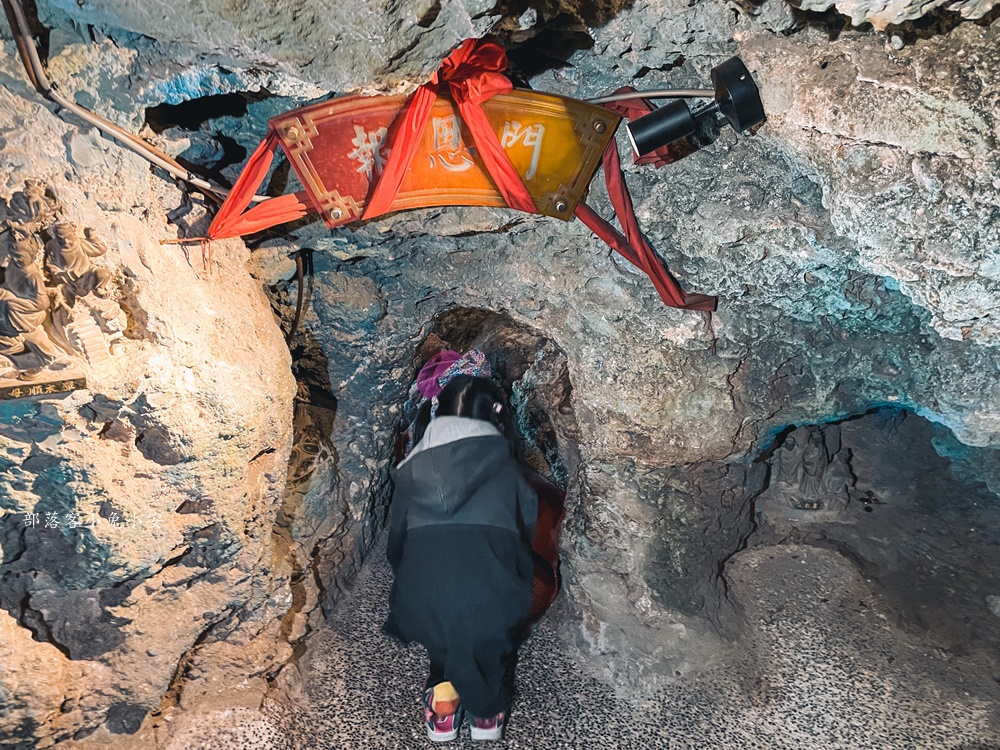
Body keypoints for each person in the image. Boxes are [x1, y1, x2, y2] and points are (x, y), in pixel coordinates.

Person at [384, 372, 538, 743]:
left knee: (444, 620)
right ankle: (487, 715)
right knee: (483, 620)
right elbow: (524, 536)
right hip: (489, 601)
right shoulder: (507, 470)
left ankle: (444, 707)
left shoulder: (411, 470)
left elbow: (396, 545)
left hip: (419, 604)